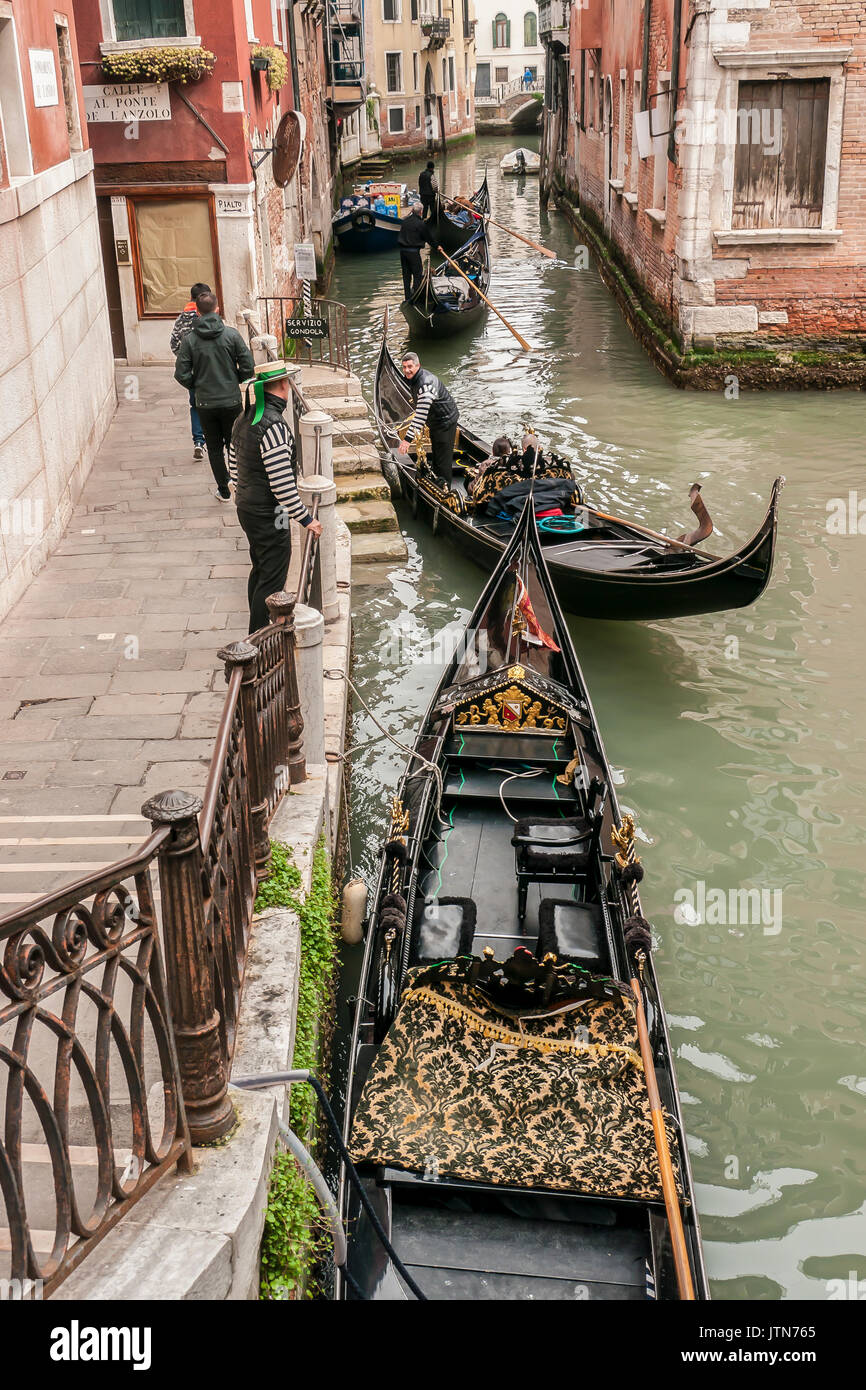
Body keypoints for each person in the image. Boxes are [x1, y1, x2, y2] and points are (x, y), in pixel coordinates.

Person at [229, 360, 323, 633]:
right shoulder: (274, 427)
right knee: (271, 577)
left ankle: (256, 634)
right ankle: (258, 639)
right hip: (271, 514)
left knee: (260, 568)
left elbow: (233, 466)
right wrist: (307, 520)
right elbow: (282, 485)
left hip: (247, 508)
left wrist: (245, 494)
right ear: (284, 385)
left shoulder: (244, 418)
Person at [174, 290, 254, 502]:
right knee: (235, 444)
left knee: (215, 448)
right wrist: (236, 378)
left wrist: (197, 385)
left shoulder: (189, 340)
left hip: (206, 403)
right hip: (231, 400)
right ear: (217, 309)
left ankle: (224, 489)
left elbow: (180, 374)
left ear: (197, 313)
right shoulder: (232, 335)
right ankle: (242, 485)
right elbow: (248, 366)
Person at [398, 351, 459, 487]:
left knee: (443, 457)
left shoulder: (425, 385)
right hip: (435, 421)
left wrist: (407, 441)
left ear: (418, 366)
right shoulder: (414, 378)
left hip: (445, 421)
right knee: (436, 451)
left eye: (410, 367)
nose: (407, 370)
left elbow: (420, 415)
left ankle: (444, 489)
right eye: (404, 367)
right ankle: (437, 479)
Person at [169, 281, 210, 461]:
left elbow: (174, 344)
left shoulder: (181, 319)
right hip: (210, 368)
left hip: (193, 371)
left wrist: (185, 359)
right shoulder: (209, 316)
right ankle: (216, 439)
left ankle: (199, 441)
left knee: (195, 406)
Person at [398, 202, 434, 300]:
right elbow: (428, 238)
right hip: (413, 253)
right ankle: (416, 298)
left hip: (403, 253)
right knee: (417, 275)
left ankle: (407, 297)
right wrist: (437, 246)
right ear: (421, 212)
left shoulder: (405, 221)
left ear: (412, 210)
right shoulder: (420, 224)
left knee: (406, 276)